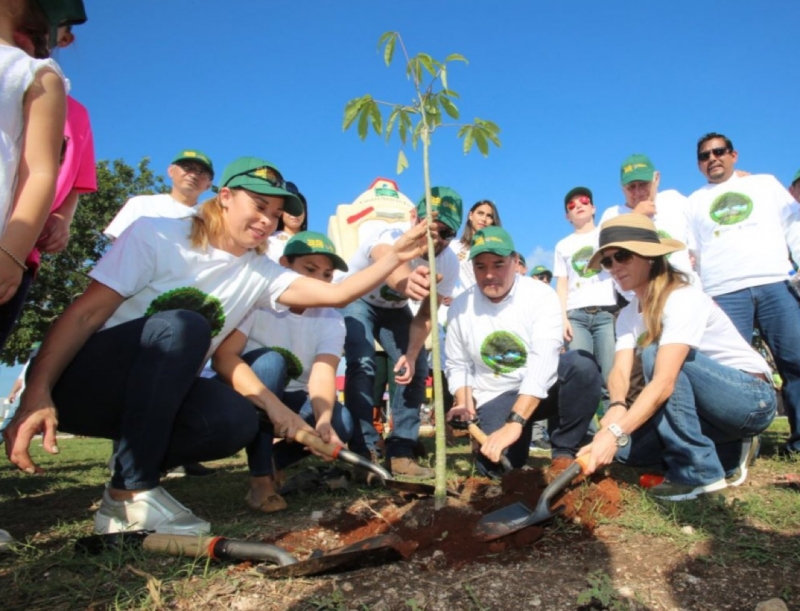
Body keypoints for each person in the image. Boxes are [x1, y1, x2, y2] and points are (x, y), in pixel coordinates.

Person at [3, 157, 430, 535]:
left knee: (234, 422)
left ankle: (128, 480)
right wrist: (37, 392)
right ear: (225, 196)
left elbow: (336, 295)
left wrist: (395, 255)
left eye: (276, 213)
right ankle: (132, 493)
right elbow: (83, 314)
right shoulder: (157, 235)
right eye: (259, 206)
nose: (267, 220)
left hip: (154, 400)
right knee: (185, 326)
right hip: (89, 386)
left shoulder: (258, 272)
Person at [578, 214, 777, 500]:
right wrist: (617, 407)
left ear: (649, 256)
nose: (614, 268)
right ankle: (729, 447)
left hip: (750, 400)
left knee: (654, 352)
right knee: (624, 453)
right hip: (703, 409)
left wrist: (614, 432)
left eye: (621, 256)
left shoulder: (682, 297)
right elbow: (620, 371)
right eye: (608, 262)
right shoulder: (626, 315)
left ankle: (700, 474)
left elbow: (664, 382)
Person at [213, 231, 352, 513]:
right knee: (271, 363)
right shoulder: (258, 303)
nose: (318, 281)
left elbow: (323, 374)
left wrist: (323, 420)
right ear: (284, 265)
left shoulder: (332, 319)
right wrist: (273, 406)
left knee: (341, 422)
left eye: (327, 275)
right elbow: (223, 358)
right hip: (246, 396)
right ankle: (261, 480)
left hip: (291, 401)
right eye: (309, 270)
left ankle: (274, 459)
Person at [446, 226, 601, 477]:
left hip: (544, 388)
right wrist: (463, 402)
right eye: (481, 266)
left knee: (582, 365)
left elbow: (543, 361)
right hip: (498, 394)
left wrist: (515, 422)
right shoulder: (460, 308)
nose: (489, 275)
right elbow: (458, 364)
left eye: (498, 264)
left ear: (515, 261)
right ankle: (515, 442)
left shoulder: (539, 295)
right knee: (495, 468)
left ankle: (563, 452)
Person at [686, 132, 800, 456]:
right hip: (722, 292)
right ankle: (734, 446)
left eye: (719, 152)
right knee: (727, 374)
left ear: (733, 155)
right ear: (699, 165)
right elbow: (689, 253)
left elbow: (794, 226)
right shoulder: (694, 202)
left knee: (795, 362)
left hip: (774, 282)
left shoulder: (764, 184)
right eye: (705, 156)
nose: (713, 159)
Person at [342, 186, 461, 478]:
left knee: (417, 365)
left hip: (395, 311)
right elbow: (386, 257)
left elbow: (425, 314)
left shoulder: (449, 263)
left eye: (446, 233)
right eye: (430, 227)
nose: (436, 238)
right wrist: (406, 283)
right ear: (413, 218)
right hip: (358, 300)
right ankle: (364, 451)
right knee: (363, 363)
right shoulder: (389, 234)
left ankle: (401, 450)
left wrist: (409, 353)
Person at [554, 187, 618, 408]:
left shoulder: (606, 233)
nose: (578, 206)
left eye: (583, 201)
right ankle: (585, 435)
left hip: (606, 313)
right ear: (566, 216)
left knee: (611, 377)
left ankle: (614, 432)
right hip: (576, 316)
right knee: (580, 377)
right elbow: (561, 285)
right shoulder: (562, 245)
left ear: (593, 207)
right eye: (571, 205)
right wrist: (562, 318)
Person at [599, 154, 697, 283]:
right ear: (622, 188)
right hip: (640, 297)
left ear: (656, 178)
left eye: (643, 184)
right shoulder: (611, 215)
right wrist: (635, 217)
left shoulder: (675, 200)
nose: (638, 192)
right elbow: (604, 261)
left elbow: (698, 238)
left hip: (683, 288)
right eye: (631, 187)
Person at [103, 149, 214, 239]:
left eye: (201, 172)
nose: (193, 175)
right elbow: (118, 242)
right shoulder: (141, 204)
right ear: (171, 171)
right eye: (187, 168)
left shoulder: (212, 220)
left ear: (208, 185)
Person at [449, 199, 502, 296]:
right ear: (471, 215)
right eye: (480, 213)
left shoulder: (497, 252)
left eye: (489, 216)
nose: (484, 219)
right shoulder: (453, 246)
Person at [267, 181, 307, 263]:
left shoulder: (312, 242)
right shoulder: (271, 241)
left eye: (299, 210)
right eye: (289, 209)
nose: (295, 214)